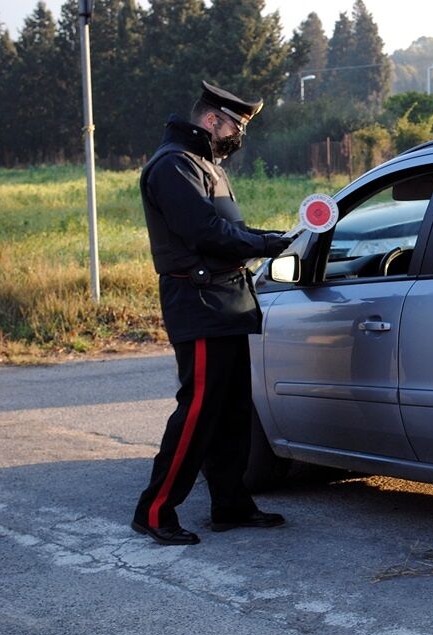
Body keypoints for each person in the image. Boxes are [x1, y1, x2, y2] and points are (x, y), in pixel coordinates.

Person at [131, 81, 294, 546]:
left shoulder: (205, 165)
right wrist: (268, 244)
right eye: (236, 126)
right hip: (198, 302)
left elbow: (230, 229)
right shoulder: (173, 166)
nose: (238, 135)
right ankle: (155, 510)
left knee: (231, 411)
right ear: (211, 119)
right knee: (199, 411)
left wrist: (280, 236)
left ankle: (231, 504)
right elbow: (206, 234)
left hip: (225, 299)